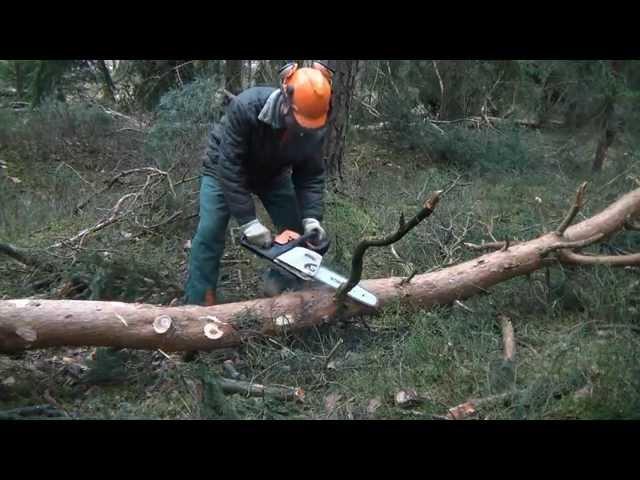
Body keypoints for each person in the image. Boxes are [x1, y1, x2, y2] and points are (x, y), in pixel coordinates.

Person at [184, 61, 333, 306]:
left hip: (272, 174)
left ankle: (280, 285)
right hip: (223, 169)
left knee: (298, 232)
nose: (303, 129)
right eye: (299, 121)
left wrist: (312, 217)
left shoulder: (314, 126)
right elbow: (229, 165)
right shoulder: (247, 107)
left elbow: (310, 175)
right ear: (285, 101)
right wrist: (249, 222)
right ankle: (198, 303)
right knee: (210, 231)